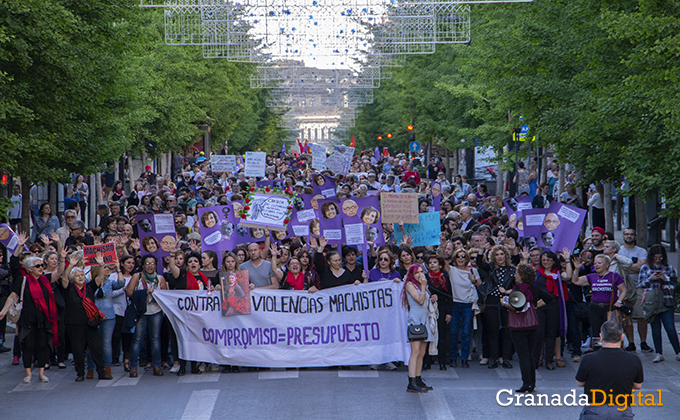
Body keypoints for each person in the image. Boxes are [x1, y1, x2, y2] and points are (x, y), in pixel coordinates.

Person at [0, 234, 59, 384]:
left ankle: (41, 373)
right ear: (30, 269)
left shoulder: (45, 280)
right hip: (27, 318)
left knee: (42, 345)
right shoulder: (22, 280)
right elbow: (13, 296)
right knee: (27, 345)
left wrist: (62, 257)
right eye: (38, 266)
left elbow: (59, 273)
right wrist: (4, 311)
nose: (41, 268)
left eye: (41, 266)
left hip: (43, 317)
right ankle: (28, 373)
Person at [501, 264, 554, 393]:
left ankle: (526, 383)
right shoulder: (533, 288)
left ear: (522, 275)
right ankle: (532, 383)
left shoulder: (518, 289)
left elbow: (517, 307)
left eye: (517, 273)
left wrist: (504, 303)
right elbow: (549, 298)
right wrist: (535, 305)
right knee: (529, 354)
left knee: (523, 355)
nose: (514, 275)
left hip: (518, 326)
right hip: (532, 324)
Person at [575, 321, 643, 419]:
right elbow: (638, 385)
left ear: (601, 337)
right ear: (622, 337)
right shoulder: (633, 360)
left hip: (595, 409)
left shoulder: (589, 359)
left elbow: (580, 383)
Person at [126, 254, 168, 378]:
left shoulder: (160, 278)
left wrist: (158, 293)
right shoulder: (137, 276)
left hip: (156, 311)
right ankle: (133, 367)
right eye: (147, 264)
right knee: (137, 339)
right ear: (143, 265)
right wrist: (144, 293)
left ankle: (156, 365)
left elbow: (165, 295)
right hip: (141, 312)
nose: (150, 266)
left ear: (156, 265)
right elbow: (129, 292)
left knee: (155, 339)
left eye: (152, 264)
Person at [571, 254, 627, 347]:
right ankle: (597, 350)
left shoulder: (614, 276)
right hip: (594, 308)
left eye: (599, 263)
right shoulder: (591, 276)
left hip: (609, 308)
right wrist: (576, 269)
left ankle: (611, 349)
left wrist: (619, 302)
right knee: (596, 332)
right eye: (595, 263)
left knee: (610, 331)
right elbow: (575, 281)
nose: (596, 265)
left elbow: (623, 290)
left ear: (606, 265)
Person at [637, 244, 680, 363]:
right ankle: (659, 353)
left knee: (670, 327)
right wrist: (651, 278)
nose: (657, 260)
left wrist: (665, 278)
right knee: (655, 328)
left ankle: (678, 351)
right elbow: (640, 285)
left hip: (666, 300)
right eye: (655, 257)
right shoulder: (645, 268)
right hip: (651, 301)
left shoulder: (668, 268)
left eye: (660, 258)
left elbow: (674, 285)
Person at [476, 245, 515, 369]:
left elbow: (518, 286)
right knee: (493, 332)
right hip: (492, 301)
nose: (499, 257)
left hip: (506, 302)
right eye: (497, 254)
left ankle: (505, 358)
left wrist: (508, 291)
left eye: (501, 254)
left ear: (506, 256)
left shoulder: (511, 270)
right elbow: (479, 263)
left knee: (506, 332)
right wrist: (480, 249)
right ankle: (493, 358)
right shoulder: (491, 268)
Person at [618, 228, 652, 353]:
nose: (629, 236)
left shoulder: (641, 251)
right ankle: (631, 343)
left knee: (641, 316)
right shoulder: (619, 251)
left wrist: (625, 267)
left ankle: (643, 342)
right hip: (623, 287)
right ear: (623, 237)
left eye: (631, 234)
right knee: (626, 317)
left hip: (639, 287)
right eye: (626, 234)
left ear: (635, 237)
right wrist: (634, 267)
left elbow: (642, 266)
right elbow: (634, 267)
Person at [446, 250, 479, 369]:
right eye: (458, 257)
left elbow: (480, 284)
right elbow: (441, 259)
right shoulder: (451, 270)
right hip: (454, 304)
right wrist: (443, 244)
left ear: (467, 259)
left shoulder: (472, 270)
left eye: (463, 257)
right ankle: (453, 358)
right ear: (455, 259)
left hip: (467, 305)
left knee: (466, 333)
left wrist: (473, 280)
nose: (460, 259)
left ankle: (465, 358)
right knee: (453, 333)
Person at [403, 264, 434, 393]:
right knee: (415, 352)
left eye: (422, 271)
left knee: (421, 353)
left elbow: (425, 301)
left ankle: (418, 378)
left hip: (424, 319)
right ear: (412, 274)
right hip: (416, 320)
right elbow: (420, 301)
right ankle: (411, 382)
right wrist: (422, 286)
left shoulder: (423, 286)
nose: (420, 274)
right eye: (417, 272)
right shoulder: (410, 285)